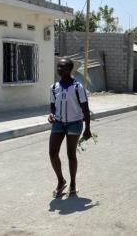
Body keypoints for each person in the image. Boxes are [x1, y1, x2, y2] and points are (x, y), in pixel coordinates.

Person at [48, 58, 91, 197]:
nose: (59, 69)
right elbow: (53, 106)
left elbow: (85, 109)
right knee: (52, 153)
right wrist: (51, 115)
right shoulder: (54, 87)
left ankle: (72, 184)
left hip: (75, 123)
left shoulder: (78, 87)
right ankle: (61, 181)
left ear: (70, 69)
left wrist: (87, 129)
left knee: (70, 154)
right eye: (58, 67)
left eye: (62, 67)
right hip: (58, 123)